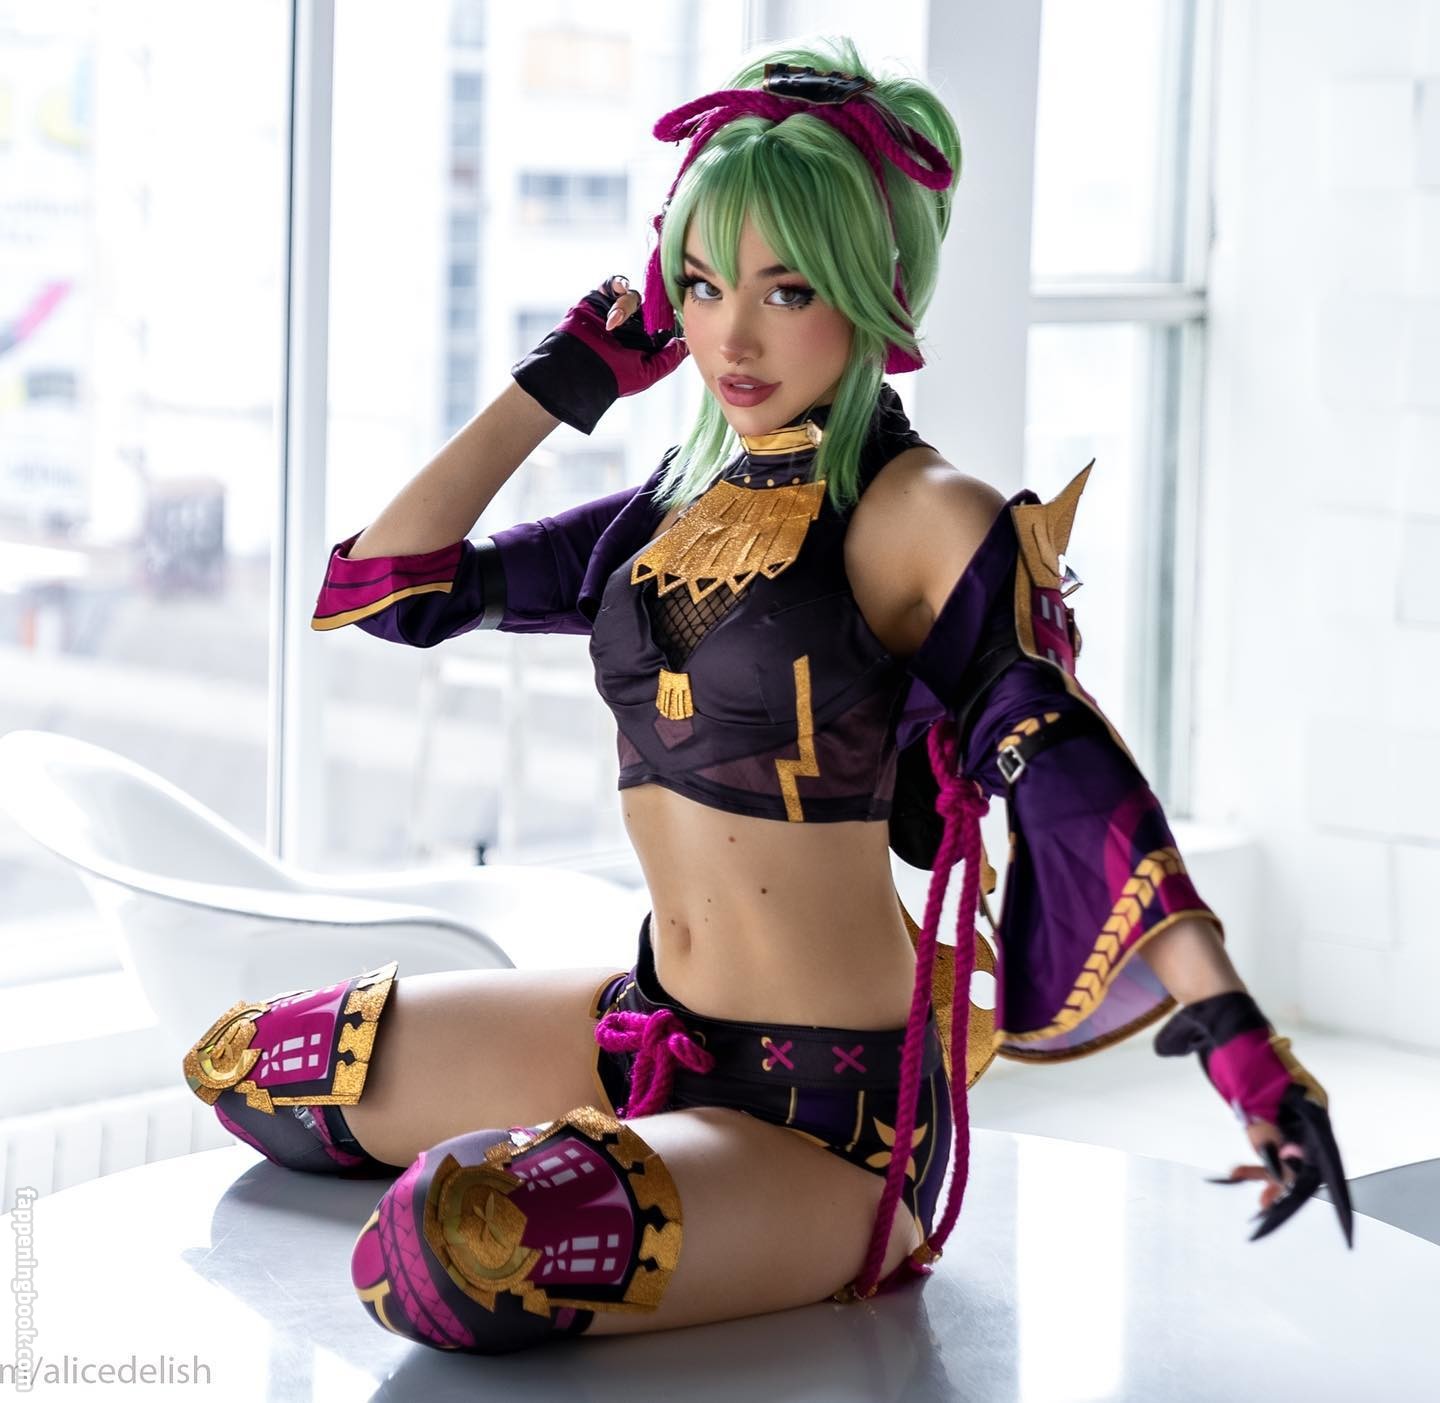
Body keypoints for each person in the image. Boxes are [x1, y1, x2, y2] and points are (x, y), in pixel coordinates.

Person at [182, 39, 1351, 1356]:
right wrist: (567, 377)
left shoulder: (922, 513)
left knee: (450, 1254)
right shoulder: (668, 509)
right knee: (256, 1069)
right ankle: (651, 1149)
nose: (730, 337)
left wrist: (1236, 1038)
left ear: (874, 291)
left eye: (786, 290)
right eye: (700, 283)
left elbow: (1075, 778)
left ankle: (784, 1208)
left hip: (834, 1117)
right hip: (644, 1026)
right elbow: (386, 589)